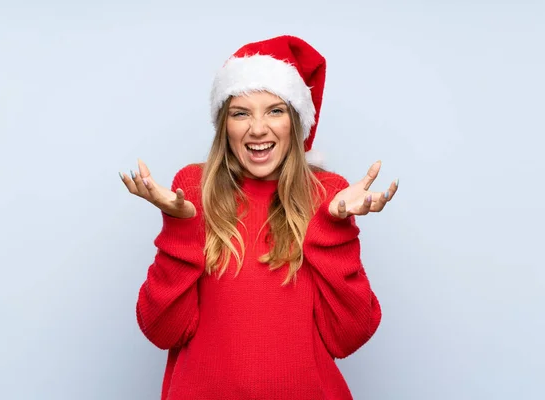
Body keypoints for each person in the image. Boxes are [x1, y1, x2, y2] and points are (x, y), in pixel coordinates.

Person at [119, 35, 398, 400]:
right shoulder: (193, 187)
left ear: (296, 122)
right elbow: (161, 330)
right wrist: (180, 228)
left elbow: (348, 336)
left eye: (275, 110)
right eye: (241, 113)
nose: (258, 128)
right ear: (225, 125)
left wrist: (334, 227)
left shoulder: (328, 194)